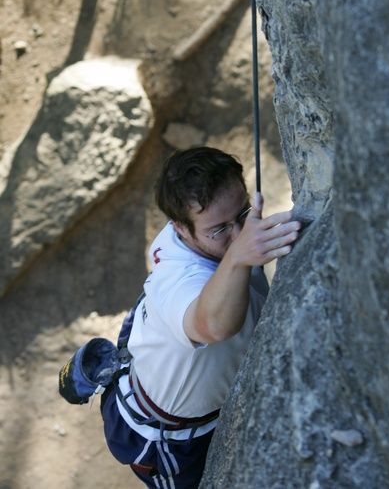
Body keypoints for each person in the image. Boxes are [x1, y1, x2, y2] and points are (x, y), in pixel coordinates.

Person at [100, 146, 301, 488]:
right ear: (179, 228)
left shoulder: (200, 238)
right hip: (168, 439)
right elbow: (211, 325)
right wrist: (239, 257)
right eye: (219, 230)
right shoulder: (179, 278)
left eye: (243, 214)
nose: (238, 234)